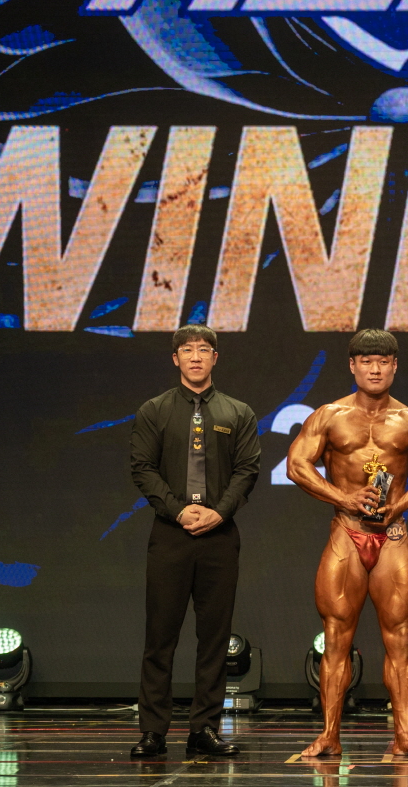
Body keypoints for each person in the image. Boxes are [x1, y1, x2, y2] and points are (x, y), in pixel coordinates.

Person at [286, 329, 408, 757]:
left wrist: (400, 505)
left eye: (383, 362)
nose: (374, 369)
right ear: (352, 365)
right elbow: (296, 464)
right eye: (366, 361)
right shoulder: (329, 415)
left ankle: (404, 735)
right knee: (336, 636)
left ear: (394, 366)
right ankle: (329, 735)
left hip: (391, 535)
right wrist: (343, 498)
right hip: (346, 530)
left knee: (400, 637)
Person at [129, 324, 261, 759]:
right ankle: (153, 731)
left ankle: (204, 728)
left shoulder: (237, 412)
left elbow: (247, 470)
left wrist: (219, 512)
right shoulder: (154, 410)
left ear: (215, 358)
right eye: (188, 350)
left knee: (215, 638)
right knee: (159, 636)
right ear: (176, 359)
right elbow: (143, 467)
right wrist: (179, 510)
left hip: (219, 536)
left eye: (204, 350)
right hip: (170, 534)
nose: (196, 357)